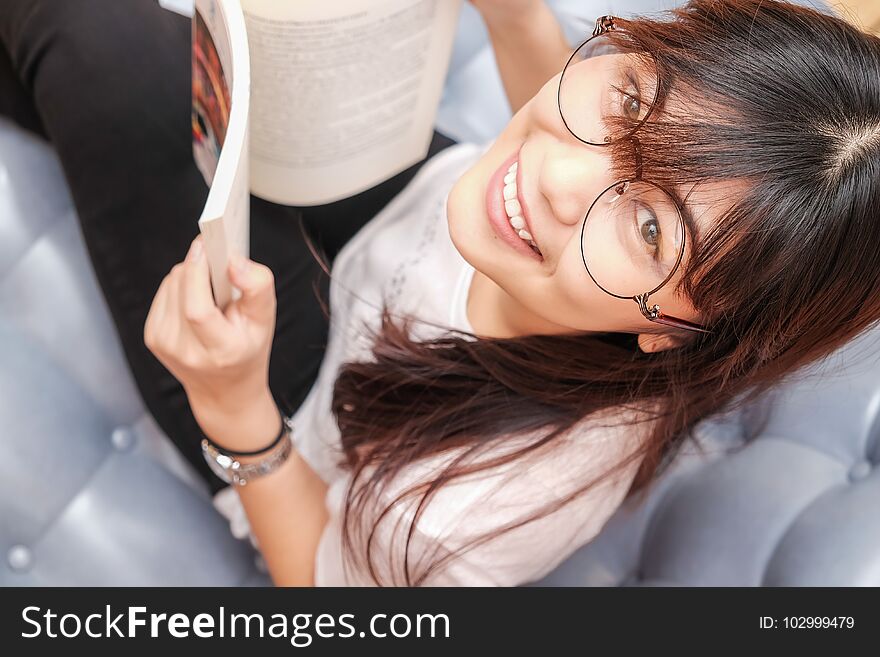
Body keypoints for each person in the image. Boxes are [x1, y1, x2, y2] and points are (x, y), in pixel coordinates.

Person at [4, 0, 880, 586]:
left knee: (81, 37)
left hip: (296, 398)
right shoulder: (551, 210)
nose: (559, 172)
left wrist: (233, 404)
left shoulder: (462, 510)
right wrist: (514, 19)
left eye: (650, 228)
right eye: (632, 98)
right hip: (404, 207)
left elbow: (324, 578)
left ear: (684, 332)